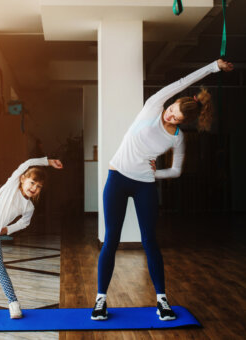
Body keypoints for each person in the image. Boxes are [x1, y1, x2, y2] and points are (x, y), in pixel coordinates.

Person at [91, 59, 234, 321]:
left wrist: (155, 173)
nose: (168, 115)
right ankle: (101, 300)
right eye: (171, 110)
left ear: (182, 123)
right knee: (111, 239)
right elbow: (183, 82)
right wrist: (214, 66)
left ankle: (162, 301)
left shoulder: (176, 138)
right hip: (118, 178)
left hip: (145, 184)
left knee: (150, 242)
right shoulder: (153, 105)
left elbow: (177, 171)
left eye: (175, 117)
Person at [0, 157, 63, 320]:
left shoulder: (29, 206)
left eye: (39, 186)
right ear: (22, 179)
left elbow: (24, 223)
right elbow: (26, 164)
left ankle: (13, 304)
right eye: (32, 182)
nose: (34, 188)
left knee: (0, 271)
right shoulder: (10, 187)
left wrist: (6, 229)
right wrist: (48, 161)